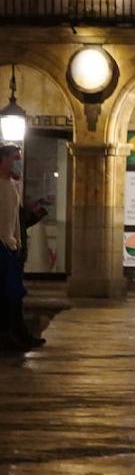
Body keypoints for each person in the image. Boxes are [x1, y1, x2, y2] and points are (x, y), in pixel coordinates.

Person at [0, 144, 43, 352]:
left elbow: (15, 218)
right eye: (14, 158)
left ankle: (18, 334)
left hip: (11, 247)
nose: (18, 162)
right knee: (7, 294)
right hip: (2, 246)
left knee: (14, 294)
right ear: (4, 159)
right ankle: (9, 335)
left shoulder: (12, 184)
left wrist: (16, 242)